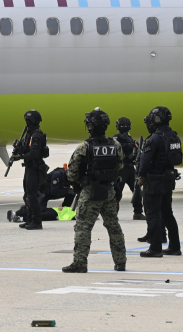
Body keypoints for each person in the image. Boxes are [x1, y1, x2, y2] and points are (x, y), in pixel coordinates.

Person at [62, 108, 127, 273]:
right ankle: (120, 262)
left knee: (83, 228)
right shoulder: (115, 144)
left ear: (91, 126)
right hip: (109, 192)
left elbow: (72, 173)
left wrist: (78, 183)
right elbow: (120, 166)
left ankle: (80, 263)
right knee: (114, 226)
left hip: (90, 193)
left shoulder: (84, 147)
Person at [137, 107, 183, 258]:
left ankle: (155, 248)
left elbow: (145, 161)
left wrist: (141, 176)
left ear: (157, 119)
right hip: (168, 180)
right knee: (167, 213)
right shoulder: (174, 137)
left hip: (154, 182)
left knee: (153, 214)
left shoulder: (154, 139)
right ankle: (174, 247)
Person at [9, 110, 48, 230]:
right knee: (27, 195)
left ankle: (37, 221)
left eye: (29, 120)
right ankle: (30, 219)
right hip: (29, 167)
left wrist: (20, 156)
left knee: (32, 195)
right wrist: (18, 151)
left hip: (35, 168)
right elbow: (26, 150)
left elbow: (34, 154)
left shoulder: (36, 136)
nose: (27, 123)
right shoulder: (29, 134)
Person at [8, 166, 74, 223]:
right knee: (39, 210)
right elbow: (54, 191)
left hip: (53, 197)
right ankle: (19, 212)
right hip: (44, 193)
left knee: (72, 192)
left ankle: (65, 208)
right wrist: (68, 191)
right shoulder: (58, 175)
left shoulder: (71, 178)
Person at [113, 117, 145, 220]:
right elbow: (116, 150)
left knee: (137, 191)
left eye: (127, 125)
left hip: (131, 168)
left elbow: (134, 150)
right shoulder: (116, 138)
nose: (125, 127)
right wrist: (127, 146)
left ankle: (138, 212)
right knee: (117, 192)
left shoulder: (129, 137)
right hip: (121, 169)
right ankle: (113, 214)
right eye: (123, 125)